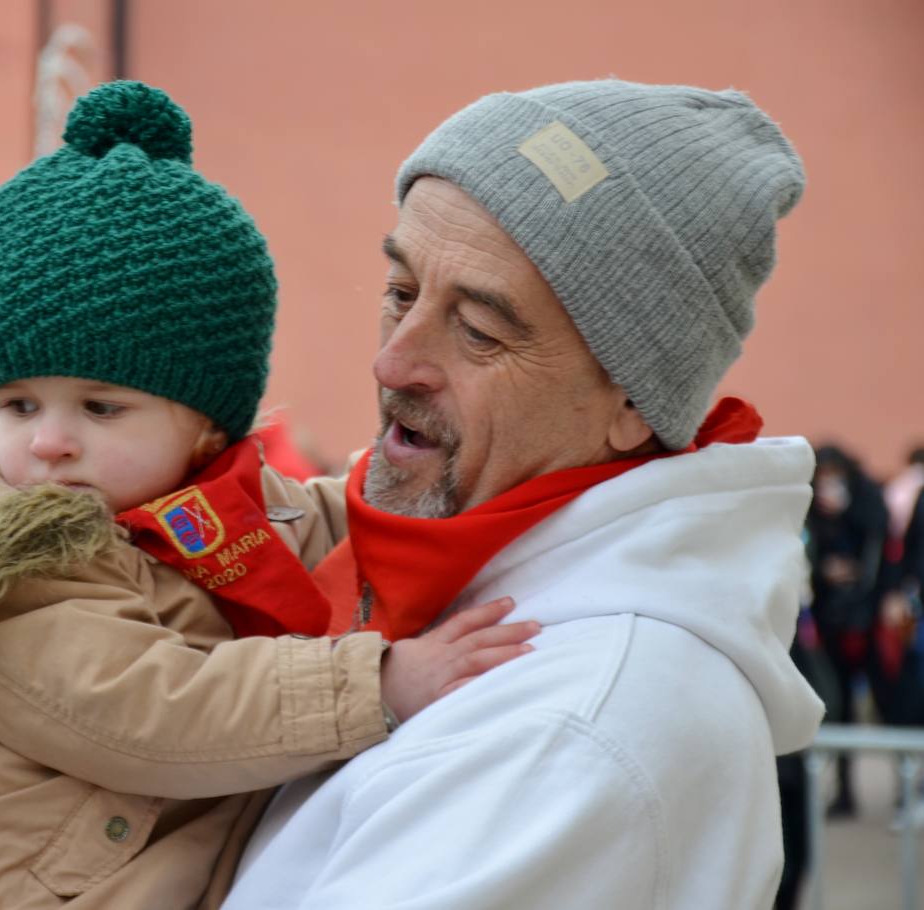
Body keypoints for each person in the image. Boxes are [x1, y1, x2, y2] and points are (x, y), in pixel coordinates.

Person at [0, 81, 535, 910]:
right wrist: (373, 688)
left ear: (205, 423)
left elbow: (362, 523)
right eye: (19, 404)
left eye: (100, 407)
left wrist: (474, 474)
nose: (48, 439)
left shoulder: (234, 517)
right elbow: (137, 711)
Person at [220, 80, 824, 909]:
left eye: (478, 330)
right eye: (400, 292)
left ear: (630, 406)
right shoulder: (454, 591)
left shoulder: (576, 732)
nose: (393, 362)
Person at [806, 444, 887, 817]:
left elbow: (880, 555)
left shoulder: (867, 506)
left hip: (868, 621)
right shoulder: (812, 512)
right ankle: (844, 790)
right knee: (838, 705)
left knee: (895, 706)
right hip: (830, 623)